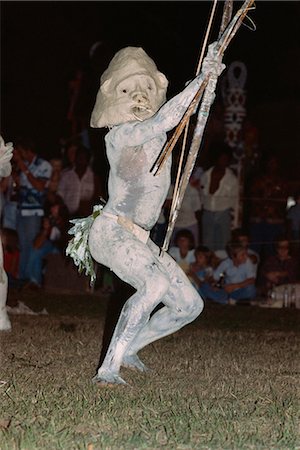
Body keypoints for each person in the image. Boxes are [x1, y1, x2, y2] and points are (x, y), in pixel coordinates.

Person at [67, 44, 225, 384]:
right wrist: (200, 80)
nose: (139, 97)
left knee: (188, 305)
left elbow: (187, 115)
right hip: (111, 231)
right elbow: (169, 117)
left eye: (146, 89)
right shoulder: (120, 135)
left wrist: (208, 84)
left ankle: (131, 347)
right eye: (128, 90)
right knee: (154, 284)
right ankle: (108, 368)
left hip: (139, 235)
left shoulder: (158, 131)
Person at [13, 138, 52, 281]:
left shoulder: (44, 165)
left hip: (34, 212)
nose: (19, 154)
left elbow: (40, 187)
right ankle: (22, 277)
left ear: (27, 150)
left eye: (20, 151)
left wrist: (23, 167)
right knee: (23, 245)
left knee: (32, 245)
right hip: (21, 210)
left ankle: (30, 279)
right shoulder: (25, 165)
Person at [248, 154, 289, 260]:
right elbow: (252, 198)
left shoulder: (282, 181)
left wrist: (273, 206)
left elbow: (284, 201)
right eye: (270, 162)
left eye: (274, 163)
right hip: (258, 220)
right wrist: (265, 206)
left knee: (272, 252)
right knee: (253, 251)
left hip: (274, 222)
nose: (272, 165)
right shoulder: (257, 180)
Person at [24, 198, 69, 290]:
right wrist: (45, 229)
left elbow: (63, 241)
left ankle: (34, 281)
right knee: (35, 251)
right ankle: (34, 280)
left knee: (38, 252)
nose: (52, 209)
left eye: (55, 207)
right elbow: (36, 244)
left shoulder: (67, 223)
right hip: (50, 246)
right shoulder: (48, 219)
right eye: (52, 207)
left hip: (62, 249)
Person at [200, 145, 239, 251]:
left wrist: (234, 222)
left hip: (224, 213)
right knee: (207, 243)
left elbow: (235, 202)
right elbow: (200, 196)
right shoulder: (205, 175)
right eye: (221, 159)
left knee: (223, 243)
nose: (223, 161)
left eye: (226, 159)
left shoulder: (232, 179)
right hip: (207, 212)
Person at [57, 145, 101, 218]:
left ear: (88, 160)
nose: (81, 159)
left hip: (87, 215)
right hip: (69, 215)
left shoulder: (94, 177)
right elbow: (59, 194)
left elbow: (98, 197)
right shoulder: (66, 175)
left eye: (84, 157)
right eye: (79, 157)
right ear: (75, 158)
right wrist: (63, 208)